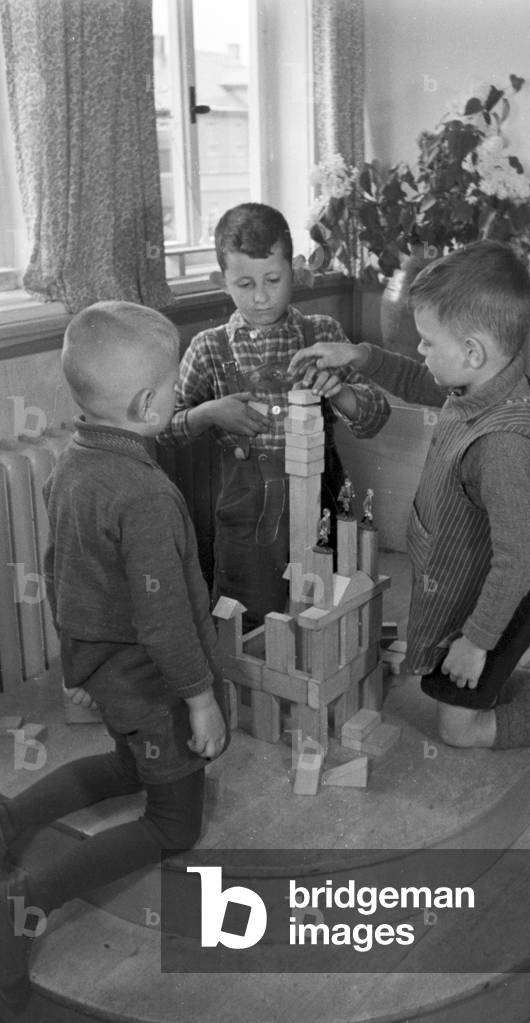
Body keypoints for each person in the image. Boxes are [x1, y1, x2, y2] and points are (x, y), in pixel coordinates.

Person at [289, 240, 530, 805]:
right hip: (466, 581)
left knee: (458, 728)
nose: (420, 350)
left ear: (474, 352)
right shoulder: (481, 380)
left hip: (494, 595)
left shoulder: (502, 444)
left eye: (428, 342)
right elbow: (418, 380)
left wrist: (478, 641)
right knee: (481, 687)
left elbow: (521, 560)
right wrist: (359, 355)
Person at [0, 301, 228, 1009]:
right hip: (147, 678)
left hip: (102, 666)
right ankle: (29, 901)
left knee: (127, 760)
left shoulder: (75, 457)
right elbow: (164, 619)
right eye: (171, 385)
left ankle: (10, 822)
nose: (177, 395)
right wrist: (199, 698)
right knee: (174, 819)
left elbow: (55, 557)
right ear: (148, 402)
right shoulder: (147, 495)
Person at [157, 202, 390, 630]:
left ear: (294, 272)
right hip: (246, 513)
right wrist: (209, 412)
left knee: (328, 604)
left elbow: (376, 415)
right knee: (246, 614)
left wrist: (339, 392)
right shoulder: (209, 348)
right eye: (245, 283)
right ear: (221, 281)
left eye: (273, 280)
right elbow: (164, 430)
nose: (261, 296)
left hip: (322, 500)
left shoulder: (321, 333)